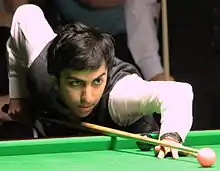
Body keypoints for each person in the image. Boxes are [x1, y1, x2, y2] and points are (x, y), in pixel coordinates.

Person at [4, 4, 193, 159]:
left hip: (137, 153)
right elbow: (25, 14)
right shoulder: (41, 65)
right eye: (75, 83)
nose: (88, 97)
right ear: (55, 77)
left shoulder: (120, 96)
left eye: (97, 81)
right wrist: (17, 95)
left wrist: (171, 136)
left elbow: (178, 92)